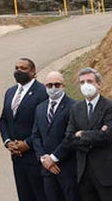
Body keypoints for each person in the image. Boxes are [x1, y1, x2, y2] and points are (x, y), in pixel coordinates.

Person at [64, 69, 112, 201]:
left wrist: (82, 134)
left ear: (98, 84)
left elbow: (107, 136)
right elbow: (69, 138)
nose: (86, 85)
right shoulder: (76, 108)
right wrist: (94, 135)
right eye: (82, 82)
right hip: (84, 172)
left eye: (89, 81)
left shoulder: (110, 107)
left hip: (107, 173)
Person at [0, 58, 48, 201]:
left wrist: (27, 143)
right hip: (17, 156)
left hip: (34, 155)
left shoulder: (42, 92)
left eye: (23, 68)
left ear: (33, 72)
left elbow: (42, 125)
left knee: (40, 195)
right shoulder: (10, 92)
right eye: (16, 68)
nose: (18, 71)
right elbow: (4, 119)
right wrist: (8, 142)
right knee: (24, 195)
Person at [30, 72, 78, 201]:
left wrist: (54, 158)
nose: (53, 88)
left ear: (63, 85)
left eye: (56, 84)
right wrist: (44, 159)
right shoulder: (40, 108)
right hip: (47, 169)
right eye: (49, 85)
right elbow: (35, 136)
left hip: (67, 168)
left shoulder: (74, 106)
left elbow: (71, 137)